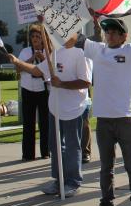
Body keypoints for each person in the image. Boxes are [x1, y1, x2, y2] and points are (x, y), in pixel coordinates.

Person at [66, 16, 131, 206]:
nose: (109, 35)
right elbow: (72, 36)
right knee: (106, 167)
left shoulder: (130, 50)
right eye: (107, 32)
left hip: (125, 118)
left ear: (124, 36)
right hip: (103, 119)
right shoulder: (97, 50)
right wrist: (50, 21)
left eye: (114, 32)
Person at [10, 37, 91, 197]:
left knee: (72, 146)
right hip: (55, 107)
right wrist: (17, 62)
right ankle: (59, 180)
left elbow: (86, 82)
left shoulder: (82, 53)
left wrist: (62, 84)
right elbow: (37, 71)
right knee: (55, 146)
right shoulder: (55, 54)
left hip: (74, 108)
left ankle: (73, 182)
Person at [16, 25, 50, 161]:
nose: (35, 39)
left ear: (43, 39)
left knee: (45, 122)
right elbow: (18, 69)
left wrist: (42, 58)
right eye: (33, 37)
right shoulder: (25, 51)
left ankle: (46, 152)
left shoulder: (48, 52)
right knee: (28, 123)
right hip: (28, 90)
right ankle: (28, 154)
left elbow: (51, 69)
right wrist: (31, 58)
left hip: (43, 90)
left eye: (38, 36)